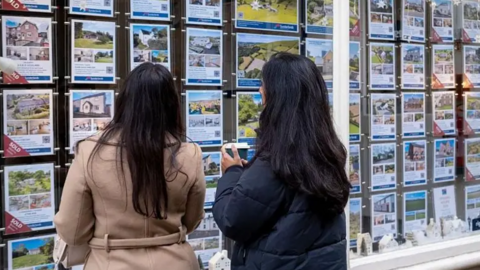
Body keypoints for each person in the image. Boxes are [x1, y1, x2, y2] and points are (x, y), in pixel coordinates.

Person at [54, 63, 206, 270]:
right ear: (172, 105)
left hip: (109, 261)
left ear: (124, 100)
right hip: (176, 262)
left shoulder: (90, 151)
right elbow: (191, 221)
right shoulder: (190, 154)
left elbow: (72, 229)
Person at [213, 53, 351, 270]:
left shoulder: (275, 161)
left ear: (279, 96)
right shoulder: (328, 152)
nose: (260, 91)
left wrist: (231, 174)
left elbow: (233, 219)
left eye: (263, 86)